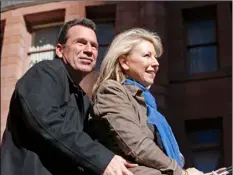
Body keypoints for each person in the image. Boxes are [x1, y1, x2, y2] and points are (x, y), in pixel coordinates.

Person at [1, 18, 137, 175]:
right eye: (81, 42)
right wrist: (102, 158)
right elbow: (47, 121)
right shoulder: (44, 72)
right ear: (59, 50)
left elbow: (96, 139)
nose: (89, 50)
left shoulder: (83, 99)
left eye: (94, 46)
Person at [88, 28, 229, 175]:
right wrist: (182, 174)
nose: (156, 63)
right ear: (124, 62)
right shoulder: (111, 91)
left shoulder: (148, 105)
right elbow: (137, 145)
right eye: (147, 56)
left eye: (155, 57)